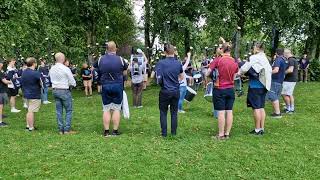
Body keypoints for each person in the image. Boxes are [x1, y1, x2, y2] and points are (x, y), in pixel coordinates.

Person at [95, 41, 128, 137]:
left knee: (106, 109)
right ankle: (115, 131)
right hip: (117, 85)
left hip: (105, 85)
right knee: (117, 108)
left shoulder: (100, 59)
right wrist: (124, 80)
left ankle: (106, 132)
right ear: (115, 49)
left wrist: (99, 79)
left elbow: (94, 69)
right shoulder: (121, 60)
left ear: (106, 49)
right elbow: (125, 71)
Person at [206, 43, 238, 140]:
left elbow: (207, 73)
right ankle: (227, 133)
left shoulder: (218, 60)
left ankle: (220, 135)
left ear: (222, 49)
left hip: (219, 88)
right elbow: (235, 76)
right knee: (229, 111)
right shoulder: (234, 61)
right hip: (231, 89)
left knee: (220, 112)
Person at [239, 43, 272, 135]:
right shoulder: (266, 58)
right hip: (264, 85)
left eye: (254, 48)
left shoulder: (254, 57)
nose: (253, 49)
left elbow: (245, 67)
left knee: (256, 108)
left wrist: (238, 73)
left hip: (255, 86)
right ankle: (262, 128)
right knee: (261, 107)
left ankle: (257, 129)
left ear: (257, 49)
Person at [155, 44, 184, 137]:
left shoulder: (160, 63)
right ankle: (173, 133)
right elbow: (182, 77)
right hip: (175, 90)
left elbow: (157, 78)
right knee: (174, 112)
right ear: (173, 52)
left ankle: (164, 133)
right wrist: (175, 80)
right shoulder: (178, 63)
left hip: (165, 90)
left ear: (164, 52)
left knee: (163, 112)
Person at [49, 52, 77, 135]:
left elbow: (51, 79)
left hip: (55, 90)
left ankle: (61, 130)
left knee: (59, 111)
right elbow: (72, 81)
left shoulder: (52, 68)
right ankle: (67, 129)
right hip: (64, 90)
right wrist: (71, 84)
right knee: (68, 110)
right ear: (63, 59)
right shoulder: (65, 68)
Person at [21, 57, 42, 131]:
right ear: (34, 64)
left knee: (29, 110)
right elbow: (41, 83)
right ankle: (30, 127)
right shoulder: (35, 73)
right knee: (31, 111)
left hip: (26, 94)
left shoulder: (23, 72)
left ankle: (28, 125)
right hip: (34, 94)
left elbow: (21, 83)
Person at [266, 48, 287, 118]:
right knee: (276, 96)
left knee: (272, 96)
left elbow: (276, 70)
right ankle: (276, 112)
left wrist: (267, 73)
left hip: (275, 80)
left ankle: (277, 113)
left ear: (276, 53)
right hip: (280, 80)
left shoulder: (278, 59)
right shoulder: (284, 60)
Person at [282, 49, 299, 114]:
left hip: (289, 80)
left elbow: (290, 70)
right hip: (292, 79)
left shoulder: (291, 60)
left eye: (284, 54)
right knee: (289, 94)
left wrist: (282, 73)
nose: (284, 56)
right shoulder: (294, 59)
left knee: (284, 94)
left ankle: (288, 108)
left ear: (286, 53)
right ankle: (291, 108)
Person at [0, 59, 12, 127]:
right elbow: (5, 81)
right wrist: (11, 81)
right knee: (0, 107)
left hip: (2, 91)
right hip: (0, 91)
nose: (2, 64)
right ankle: (0, 122)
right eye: (1, 63)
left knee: (1, 106)